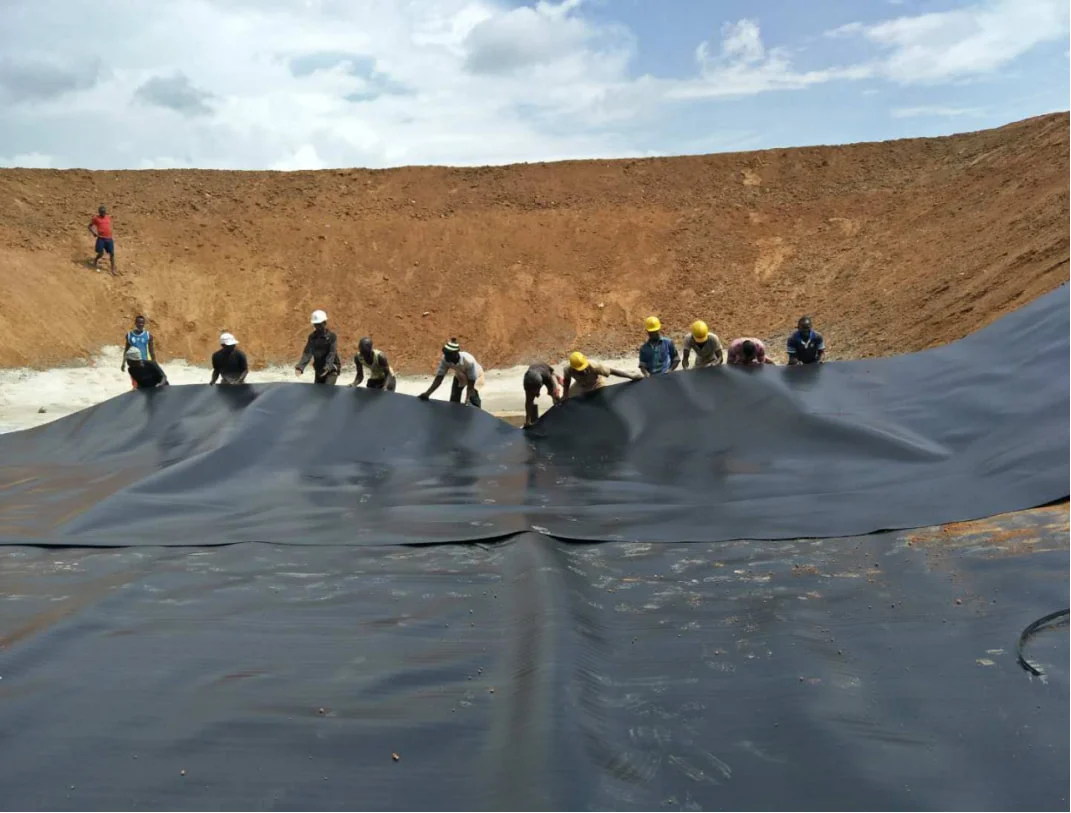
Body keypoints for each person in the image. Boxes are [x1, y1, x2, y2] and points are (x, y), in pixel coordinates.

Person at [418, 339, 484, 408]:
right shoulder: (445, 359)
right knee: (454, 397)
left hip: (476, 375)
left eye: (448, 354)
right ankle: (454, 414)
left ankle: (477, 413)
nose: (445, 356)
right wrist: (427, 393)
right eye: (445, 354)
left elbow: (471, 383)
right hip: (460, 375)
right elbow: (439, 379)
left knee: (472, 398)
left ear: (455, 353)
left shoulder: (468, 361)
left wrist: (467, 400)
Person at [562, 351, 641, 398]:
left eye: (584, 368)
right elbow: (566, 381)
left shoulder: (594, 366)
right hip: (581, 385)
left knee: (602, 399)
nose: (584, 371)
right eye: (580, 370)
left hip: (597, 383)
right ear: (573, 368)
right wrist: (565, 394)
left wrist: (631, 376)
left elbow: (612, 371)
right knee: (568, 398)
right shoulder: (568, 370)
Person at [295, 309, 341, 385]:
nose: (317, 327)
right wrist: (300, 367)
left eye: (319, 324)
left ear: (325, 323)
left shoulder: (332, 336)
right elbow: (308, 352)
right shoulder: (312, 337)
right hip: (319, 369)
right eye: (316, 325)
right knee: (317, 393)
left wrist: (328, 367)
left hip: (331, 369)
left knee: (326, 392)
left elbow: (332, 353)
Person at [522, 362, 563, 427]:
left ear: (540, 385)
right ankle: (528, 421)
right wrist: (527, 421)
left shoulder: (547, 376)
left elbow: (554, 388)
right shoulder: (527, 382)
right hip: (534, 374)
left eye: (536, 389)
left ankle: (560, 413)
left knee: (555, 394)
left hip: (546, 372)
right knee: (529, 400)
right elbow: (528, 402)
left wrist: (555, 393)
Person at [121, 316, 155, 383]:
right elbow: (126, 350)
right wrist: (123, 363)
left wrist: (154, 363)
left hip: (144, 362)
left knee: (145, 380)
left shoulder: (148, 335)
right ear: (135, 323)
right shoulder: (129, 335)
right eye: (138, 322)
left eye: (142, 323)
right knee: (135, 381)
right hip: (133, 363)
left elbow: (151, 351)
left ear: (144, 324)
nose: (140, 324)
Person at [89, 205, 116, 275]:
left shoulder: (108, 217)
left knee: (112, 253)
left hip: (109, 238)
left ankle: (113, 269)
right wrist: (93, 233)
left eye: (104, 212)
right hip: (101, 238)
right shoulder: (96, 218)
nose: (104, 213)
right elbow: (89, 226)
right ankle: (95, 260)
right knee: (100, 253)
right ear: (99, 212)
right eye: (102, 212)